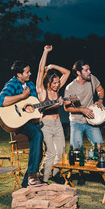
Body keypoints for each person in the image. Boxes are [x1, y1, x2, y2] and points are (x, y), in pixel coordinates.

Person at [0, 60, 43, 187]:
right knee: (37, 134)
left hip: (29, 121)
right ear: (19, 74)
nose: (30, 73)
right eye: (27, 72)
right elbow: (2, 101)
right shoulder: (12, 84)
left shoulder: (31, 85)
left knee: (38, 152)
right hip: (17, 121)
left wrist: (40, 111)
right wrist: (22, 96)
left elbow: (35, 104)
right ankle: (33, 176)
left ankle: (25, 183)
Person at [36, 45, 70, 184]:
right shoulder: (41, 90)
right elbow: (39, 71)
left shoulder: (56, 89)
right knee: (50, 152)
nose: (57, 85)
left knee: (61, 150)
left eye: (58, 82)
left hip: (58, 123)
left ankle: (55, 174)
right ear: (48, 81)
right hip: (46, 124)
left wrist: (52, 66)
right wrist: (45, 52)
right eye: (54, 82)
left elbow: (67, 72)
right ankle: (43, 178)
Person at [63, 60, 105, 150]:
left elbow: (100, 90)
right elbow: (67, 108)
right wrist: (82, 110)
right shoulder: (71, 88)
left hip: (91, 118)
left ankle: (94, 162)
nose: (89, 72)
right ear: (78, 72)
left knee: (98, 146)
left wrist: (100, 100)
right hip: (77, 121)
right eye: (86, 70)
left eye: (89, 69)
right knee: (76, 150)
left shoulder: (92, 79)